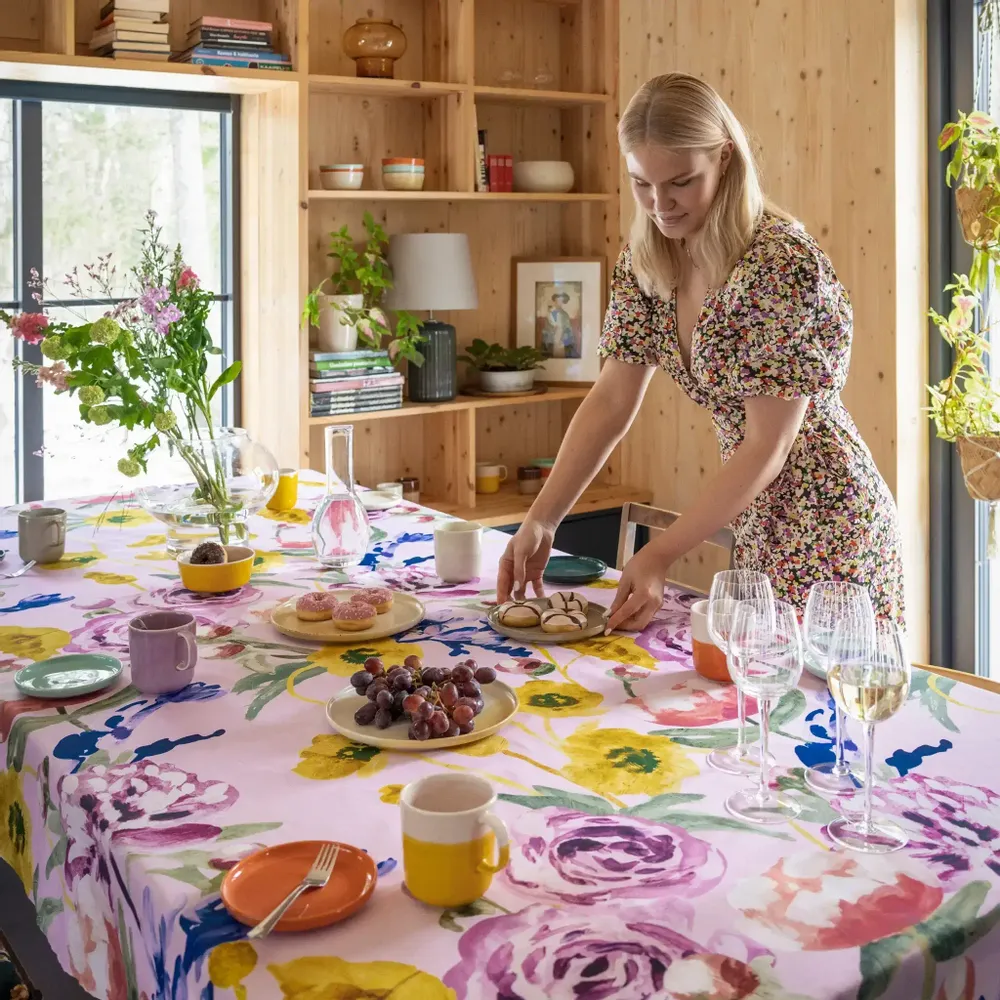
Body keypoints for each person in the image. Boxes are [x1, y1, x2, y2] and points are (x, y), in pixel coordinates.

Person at [496, 72, 905, 632]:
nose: (660, 205)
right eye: (642, 183)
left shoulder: (777, 263)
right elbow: (613, 398)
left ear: (726, 160)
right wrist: (543, 518)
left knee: (822, 708)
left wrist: (661, 552)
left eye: (681, 182)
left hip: (831, 521)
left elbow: (769, 443)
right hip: (756, 517)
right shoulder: (648, 262)